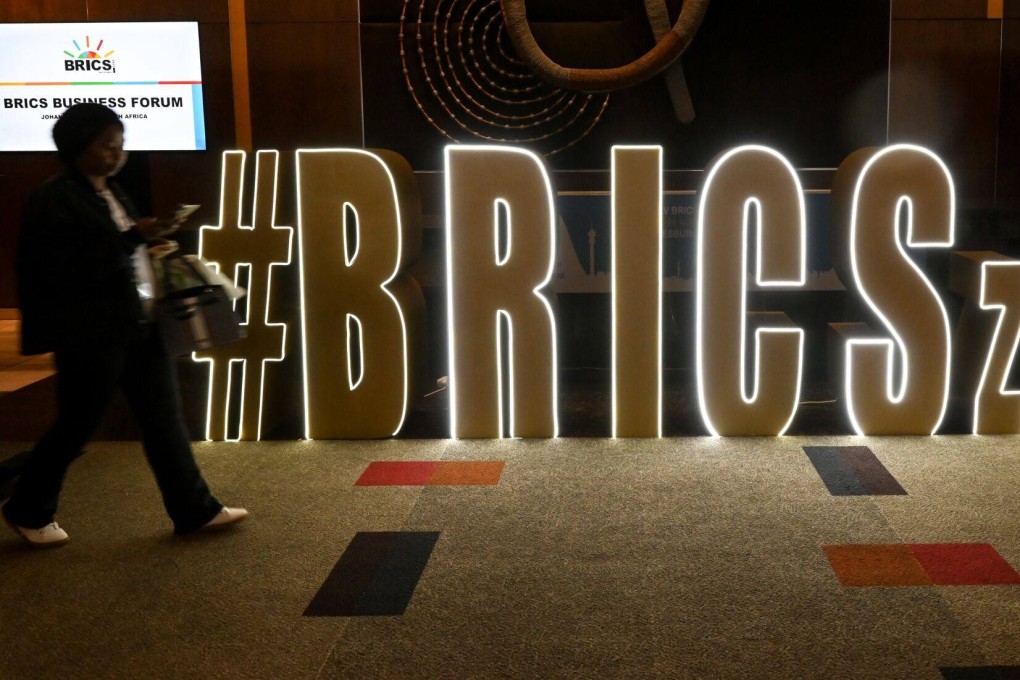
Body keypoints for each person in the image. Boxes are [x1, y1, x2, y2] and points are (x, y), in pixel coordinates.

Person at [2, 103, 247, 548]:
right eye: (107, 146)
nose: (117, 155)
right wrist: (136, 236)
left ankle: (195, 509)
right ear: (78, 146)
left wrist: (151, 240)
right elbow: (67, 268)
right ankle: (27, 507)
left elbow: (120, 252)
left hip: (136, 323)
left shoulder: (111, 192)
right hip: (91, 331)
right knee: (78, 421)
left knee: (164, 419)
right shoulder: (54, 198)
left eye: (121, 146)